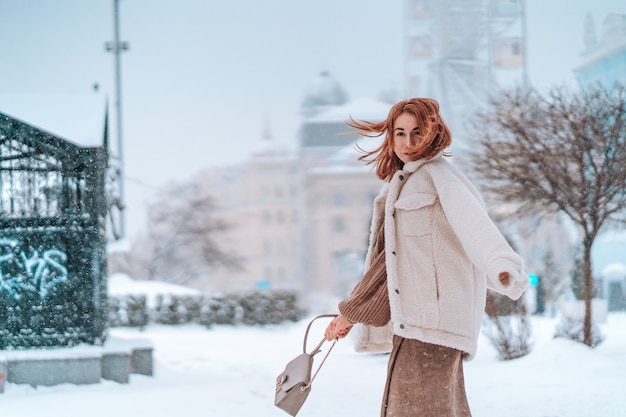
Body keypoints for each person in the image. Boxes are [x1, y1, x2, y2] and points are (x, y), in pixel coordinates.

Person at [324, 97, 530, 417]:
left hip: (434, 324)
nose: (408, 142)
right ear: (390, 136)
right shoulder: (401, 184)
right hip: (415, 325)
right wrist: (351, 313)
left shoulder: (439, 177)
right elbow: (388, 265)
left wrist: (502, 265)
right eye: (400, 133)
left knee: (414, 410)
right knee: (436, 409)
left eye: (417, 132)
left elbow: (474, 224)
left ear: (433, 133)